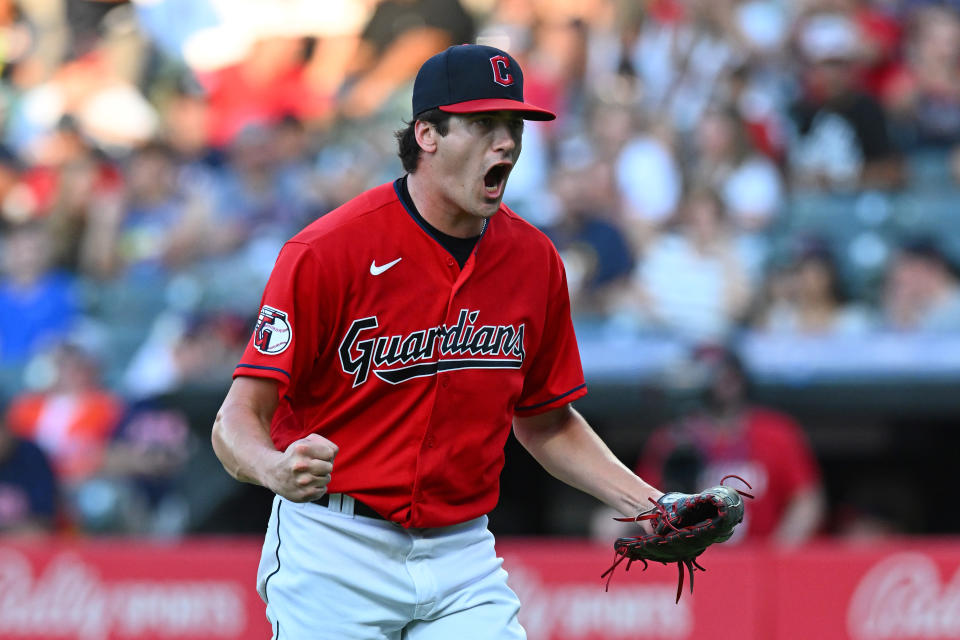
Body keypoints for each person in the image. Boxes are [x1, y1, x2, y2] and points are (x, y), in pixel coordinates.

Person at [211, 44, 664, 639]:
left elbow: (547, 421)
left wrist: (653, 505)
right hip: (336, 546)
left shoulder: (533, 260)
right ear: (426, 133)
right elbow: (235, 419)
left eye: (513, 125)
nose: (506, 142)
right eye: (482, 125)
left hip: (461, 554)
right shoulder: (328, 252)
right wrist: (272, 467)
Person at [633, 344, 825, 546]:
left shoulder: (775, 432)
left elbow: (806, 500)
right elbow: (644, 503)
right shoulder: (670, 439)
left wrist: (778, 552)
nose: (724, 382)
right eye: (714, 375)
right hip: (695, 559)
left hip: (760, 557)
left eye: (729, 374)